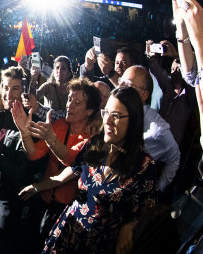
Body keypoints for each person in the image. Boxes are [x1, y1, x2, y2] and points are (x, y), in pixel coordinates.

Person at [19, 87, 158, 253]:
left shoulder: (145, 166)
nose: (107, 120)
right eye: (106, 112)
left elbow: (149, 213)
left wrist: (130, 227)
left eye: (116, 116)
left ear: (134, 120)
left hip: (97, 246)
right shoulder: (95, 145)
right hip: (67, 231)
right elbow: (67, 174)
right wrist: (36, 187)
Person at [13, 78, 101, 244]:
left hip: (66, 208)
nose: (70, 105)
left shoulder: (92, 137)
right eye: (69, 99)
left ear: (89, 110)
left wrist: (50, 138)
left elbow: (71, 161)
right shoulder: (60, 125)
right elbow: (33, 154)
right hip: (43, 198)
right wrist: (24, 133)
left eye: (77, 102)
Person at [0, 66, 46, 253]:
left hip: (11, 198)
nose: (8, 93)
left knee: (3, 245)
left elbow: (24, 171)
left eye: (15, 88)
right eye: (5, 87)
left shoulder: (33, 122)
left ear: (24, 91)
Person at [119, 65, 180, 192]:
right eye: (121, 82)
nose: (120, 88)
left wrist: (158, 189)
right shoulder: (112, 114)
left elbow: (174, 158)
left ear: (144, 95)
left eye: (127, 85)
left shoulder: (157, 130)